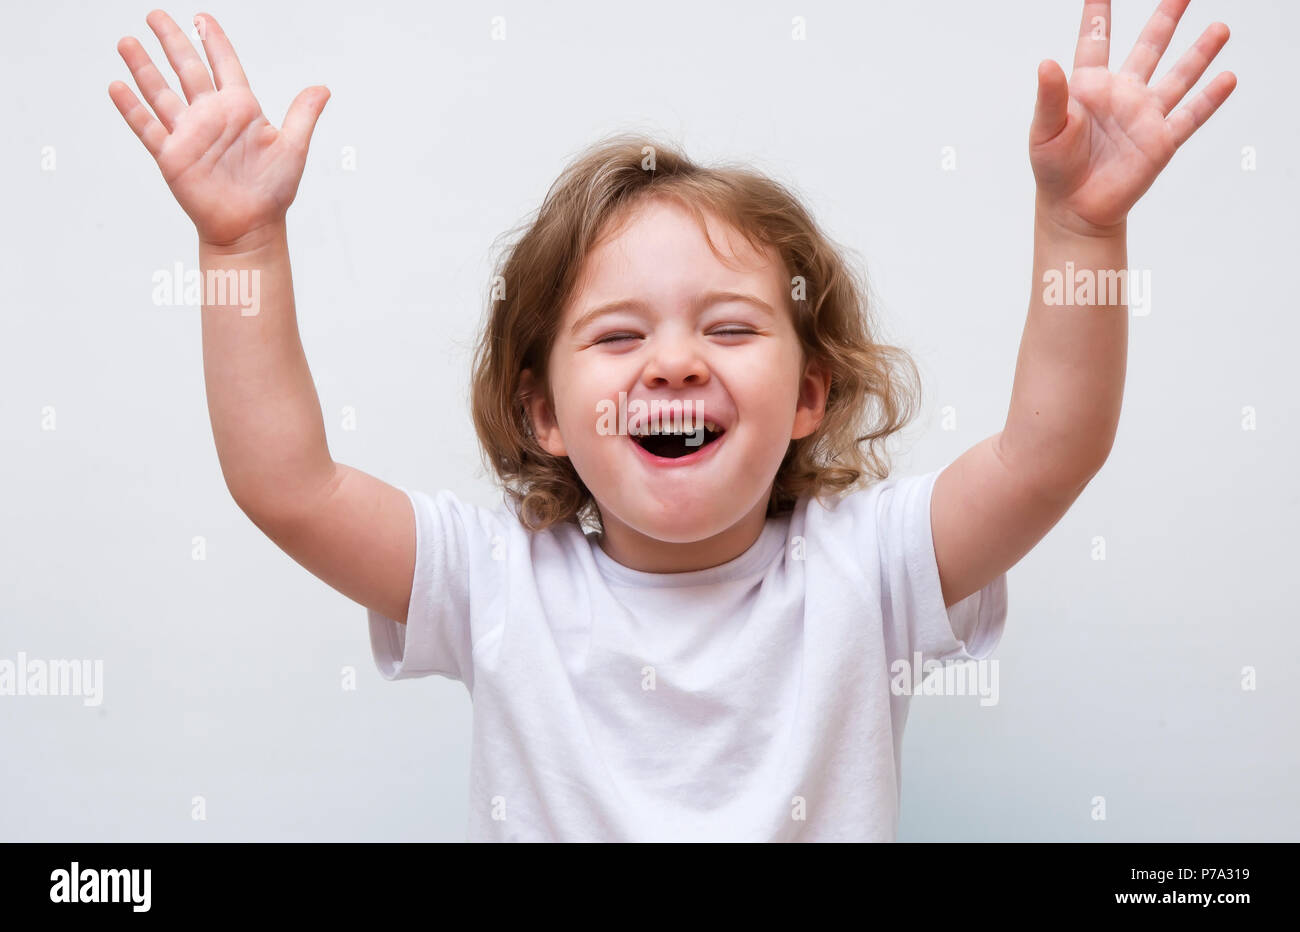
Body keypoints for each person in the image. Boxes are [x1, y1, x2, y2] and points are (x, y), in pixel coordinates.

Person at [108, 1, 1235, 841]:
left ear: (809, 396)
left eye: (732, 328)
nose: (677, 360)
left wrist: (1084, 231)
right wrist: (240, 246)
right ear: (542, 412)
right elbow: (285, 484)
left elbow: (1050, 455)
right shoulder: (497, 580)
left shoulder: (871, 569)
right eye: (616, 335)